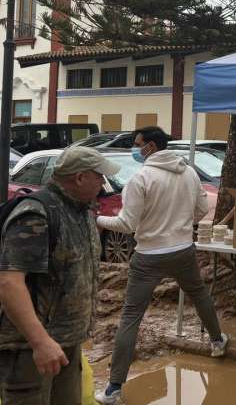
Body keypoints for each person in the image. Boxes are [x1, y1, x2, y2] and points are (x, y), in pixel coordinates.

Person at [95, 126, 228, 405]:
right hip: (182, 250)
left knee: (131, 316)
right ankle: (217, 342)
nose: (135, 148)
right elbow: (201, 210)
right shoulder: (189, 172)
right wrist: (180, 224)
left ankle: (113, 389)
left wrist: (96, 219)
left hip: (148, 256)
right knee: (199, 294)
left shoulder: (140, 178)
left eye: (137, 144)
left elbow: (126, 225)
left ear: (151, 147)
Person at [0, 146, 120, 405]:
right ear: (80, 178)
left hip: (66, 343)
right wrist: (40, 342)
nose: (103, 184)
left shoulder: (81, 212)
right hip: (30, 348)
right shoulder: (37, 214)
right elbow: (9, 283)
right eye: (100, 177)